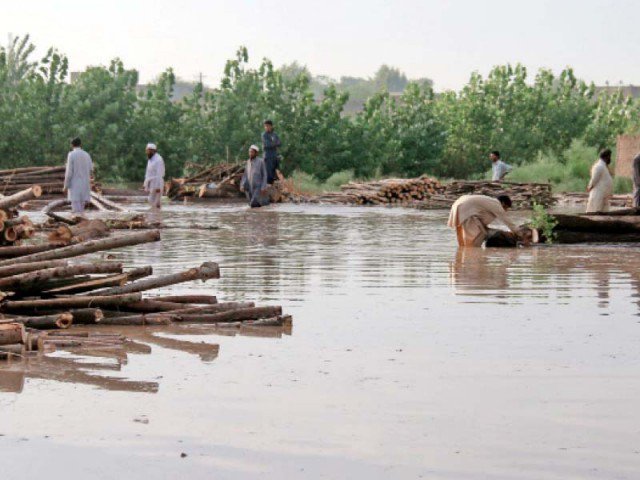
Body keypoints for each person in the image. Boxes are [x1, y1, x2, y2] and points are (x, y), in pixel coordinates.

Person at [447, 194, 520, 247]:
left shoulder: (489, 202)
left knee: (464, 240)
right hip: (465, 208)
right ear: (503, 203)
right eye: (506, 208)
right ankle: (471, 259)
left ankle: (464, 256)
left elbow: (481, 221)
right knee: (476, 239)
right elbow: (507, 221)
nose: (505, 210)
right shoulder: (497, 204)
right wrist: (518, 232)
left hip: (459, 205)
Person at [63, 137, 93, 214]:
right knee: (82, 209)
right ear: (81, 144)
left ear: (72, 145)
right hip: (85, 185)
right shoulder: (87, 155)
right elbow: (91, 169)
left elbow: (69, 172)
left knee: (76, 210)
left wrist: (65, 185)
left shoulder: (71, 155)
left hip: (75, 185)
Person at [586, 149, 613, 213]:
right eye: (609, 156)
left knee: (602, 212)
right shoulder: (598, 166)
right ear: (607, 157)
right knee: (595, 211)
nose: (610, 158)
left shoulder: (603, 166)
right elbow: (594, 179)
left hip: (603, 194)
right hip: (598, 194)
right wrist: (590, 187)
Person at [144, 143, 165, 210]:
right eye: (146, 150)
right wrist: (145, 183)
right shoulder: (150, 159)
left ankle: (155, 218)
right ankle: (156, 217)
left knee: (154, 201)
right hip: (151, 183)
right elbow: (148, 172)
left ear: (153, 151)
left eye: (148, 150)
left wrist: (158, 187)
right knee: (152, 201)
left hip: (157, 183)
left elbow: (160, 173)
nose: (146, 152)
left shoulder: (158, 159)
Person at [262, 120, 281, 184]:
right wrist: (274, 143)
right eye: (265, 126)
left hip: (274, 156)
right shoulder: (264, 135)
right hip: (268, 156)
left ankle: (274, 190)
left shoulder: (274, 134)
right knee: (268, 174)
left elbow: (279, 143)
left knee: (274, 174)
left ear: (271, 126)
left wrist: (273, 143)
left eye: (267, 126)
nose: (266, 127)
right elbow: (267, 145)